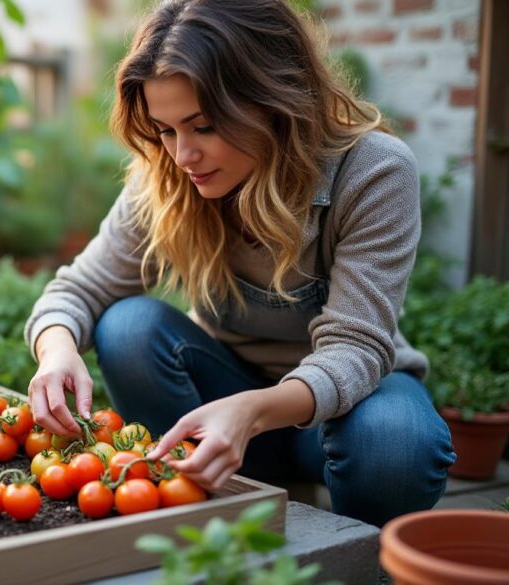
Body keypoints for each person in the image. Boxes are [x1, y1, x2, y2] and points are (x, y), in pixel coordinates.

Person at [24, 0, 455, 528]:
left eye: (202, 126)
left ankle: (357, 554)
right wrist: (56, 352)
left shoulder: (373, 171)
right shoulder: (166, 177)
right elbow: (78, 290)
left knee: (396, 442)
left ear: (270, 99)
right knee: (128, 325)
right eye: (165, 129)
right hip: (223, 410)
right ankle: (197, 507)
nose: (183, 155)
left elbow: (356, 348)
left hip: (345, 418)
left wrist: (253, 410)